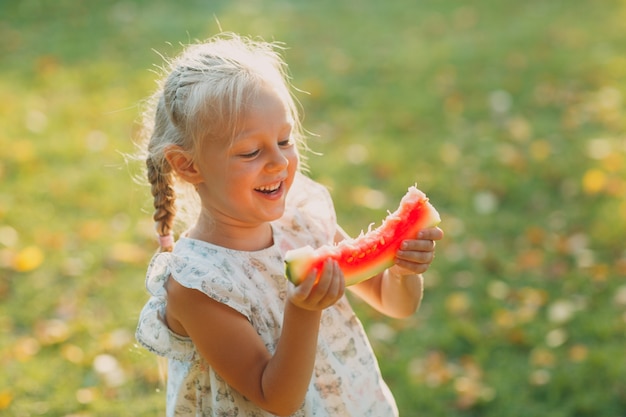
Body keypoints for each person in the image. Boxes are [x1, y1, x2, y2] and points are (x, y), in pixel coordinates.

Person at [135, 33, 444, 417]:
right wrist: (302, 311)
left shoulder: (300, 217)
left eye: (285, 140)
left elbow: (396, 304)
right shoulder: (197, 283)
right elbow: (276, 398)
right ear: (188, 165)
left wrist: (401, 270)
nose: (279, 163)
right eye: (251, 151)